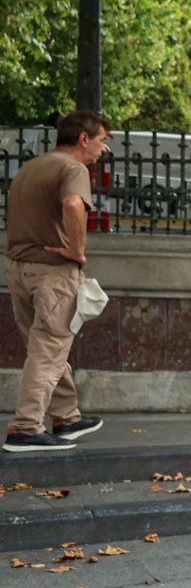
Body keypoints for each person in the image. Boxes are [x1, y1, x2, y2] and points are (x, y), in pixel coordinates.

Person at [5, 110, 110, 452]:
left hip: (19, 270)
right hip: (53, 273)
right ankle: (25, 428)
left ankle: (66, 417)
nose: (103, 149)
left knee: (47, 348)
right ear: (84, 139)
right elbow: (72, 205)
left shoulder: (30, 169)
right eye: (101, 140)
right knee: (49, 351)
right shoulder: (73, 169)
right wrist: (76, 250)